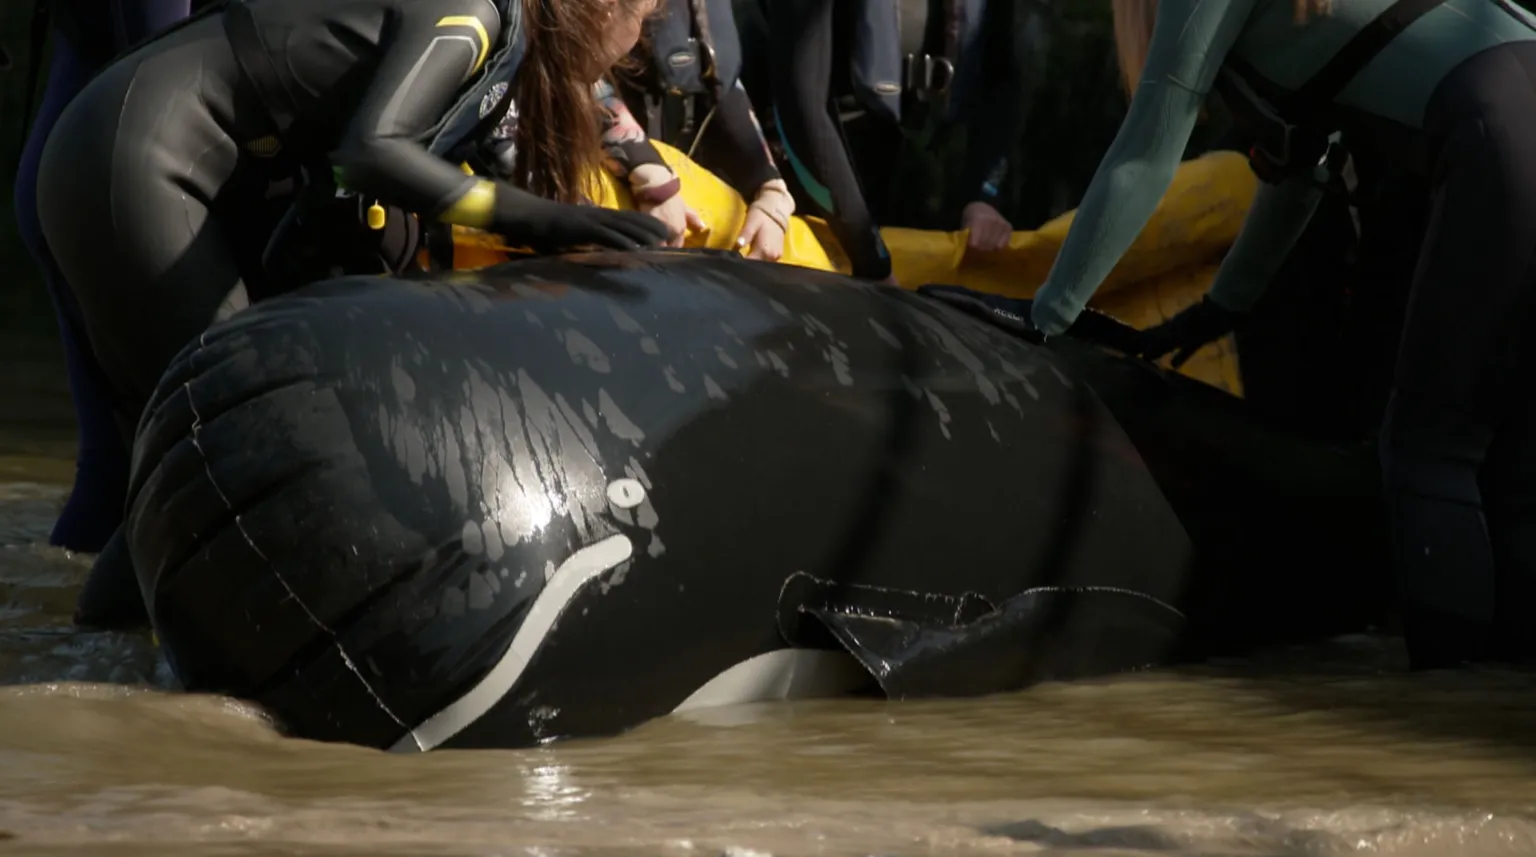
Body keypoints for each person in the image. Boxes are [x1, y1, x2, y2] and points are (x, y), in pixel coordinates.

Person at [37, 0, 669, 628]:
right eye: (644, 24)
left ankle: (97, 664)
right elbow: (371, 153)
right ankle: (116, 668)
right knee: (236, 445)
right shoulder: (474, 11)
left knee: (192, 464)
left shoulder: (503, 42)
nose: (632, 51)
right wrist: (548, 221)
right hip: (135, 157)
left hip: (143, 156)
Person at [1025, 0, 1536, 669]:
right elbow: (1301, 174)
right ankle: (1501, 721)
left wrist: (1045, 316)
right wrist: (1220, 308)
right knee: (1517, 462)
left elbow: (1146, 153)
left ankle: (1443, 728)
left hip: (1497, 123)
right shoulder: (1308, 22)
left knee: (1428, 455)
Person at [13, 0, 197, 554]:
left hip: (70, 172)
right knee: (172, 459)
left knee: (112, 469)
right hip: (123, 186)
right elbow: (163, 69)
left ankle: (65, 620)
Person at [766, 0, 1045, 282]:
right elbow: (799, 105)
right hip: (817, 181)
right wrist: (870, 256)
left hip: (919, 182)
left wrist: (983, 197)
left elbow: (1001, 82)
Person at [606, 0, 793, 260]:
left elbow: (721, 76)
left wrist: (771, 190)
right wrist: (650, 177)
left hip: (669, 180)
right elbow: (567, 71)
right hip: (593, 175)